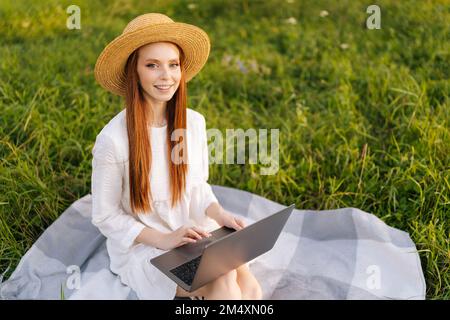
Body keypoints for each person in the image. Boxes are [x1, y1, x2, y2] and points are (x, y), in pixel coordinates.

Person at [91, 13, 262, 300]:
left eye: (173, 64)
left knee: (249, 286)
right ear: (135, 72)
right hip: (148, 245)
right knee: (223, 283)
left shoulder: (193, 122)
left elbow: (197, 187)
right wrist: (165, 240)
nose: (166, 76)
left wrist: (221, 215)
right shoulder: (113, 140)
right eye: (152, 65)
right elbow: (105, 215)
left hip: (193, 231)